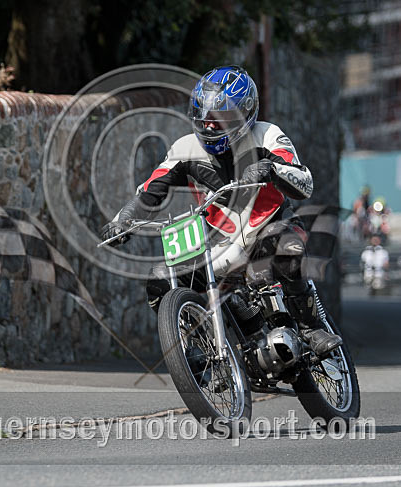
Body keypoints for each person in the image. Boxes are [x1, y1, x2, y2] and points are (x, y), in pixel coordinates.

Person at [100, 65, 341, 358]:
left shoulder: (267, 135)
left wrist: (272, 169)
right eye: (204, 116)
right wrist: (123, 219)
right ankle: (194, 351)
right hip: (220, 243)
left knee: (287, 248)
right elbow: (151, 190)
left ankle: (311, 328)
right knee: (160, 279)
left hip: (270, 225)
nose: (210, 125)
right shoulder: (184, 149)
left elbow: (305, 183)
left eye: (220, 117)